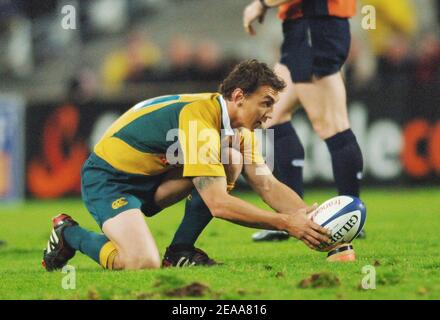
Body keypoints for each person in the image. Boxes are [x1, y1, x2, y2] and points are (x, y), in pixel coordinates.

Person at [42, 59, 332, 271]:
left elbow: (267, 184)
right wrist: (285, 224)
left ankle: (179, 251)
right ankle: (68, 233)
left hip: (154, 178)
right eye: (266, 103)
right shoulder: (199, 120)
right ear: (239, 97)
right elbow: (218, 204)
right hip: (109, 180)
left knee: (230, 157)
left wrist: (310, 220)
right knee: (141, 263)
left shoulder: (238, 131)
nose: (270, 113)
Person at [243, 0, 365, 241]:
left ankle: (352, 218)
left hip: (316, 25)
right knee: (272, 116)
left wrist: (261, 4)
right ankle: (294, 216)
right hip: (302, 29)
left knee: (332, 125)